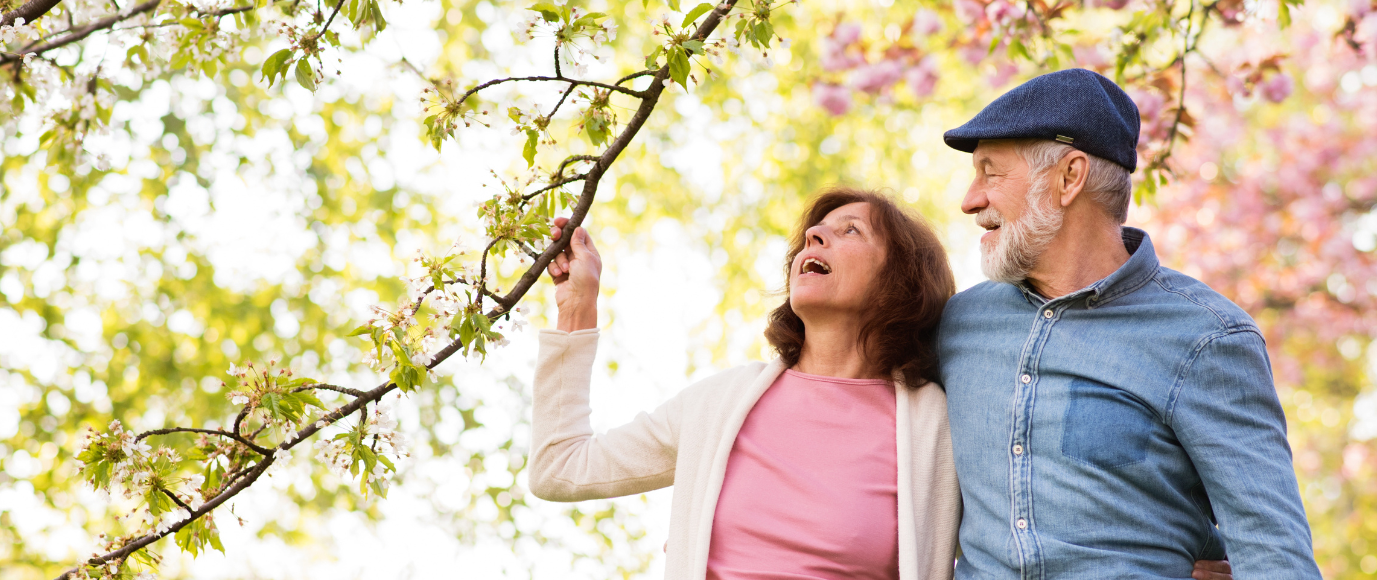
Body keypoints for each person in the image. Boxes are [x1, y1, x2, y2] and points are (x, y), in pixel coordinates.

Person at [526, 188, 1236, 580]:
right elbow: (561, 471)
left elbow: (1057, 505)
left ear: (901, 280)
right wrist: (577, 305)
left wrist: (1199, 551)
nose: (814, 241)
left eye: (846, 232)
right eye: (811, 235)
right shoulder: (722, 404)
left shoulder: (939, 423)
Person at [935, 68, 1322, 578]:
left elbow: (1273, 550)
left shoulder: (1207, 338)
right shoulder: (957, 324)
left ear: (1069, 177)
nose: (970, 200)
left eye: (990, 172)